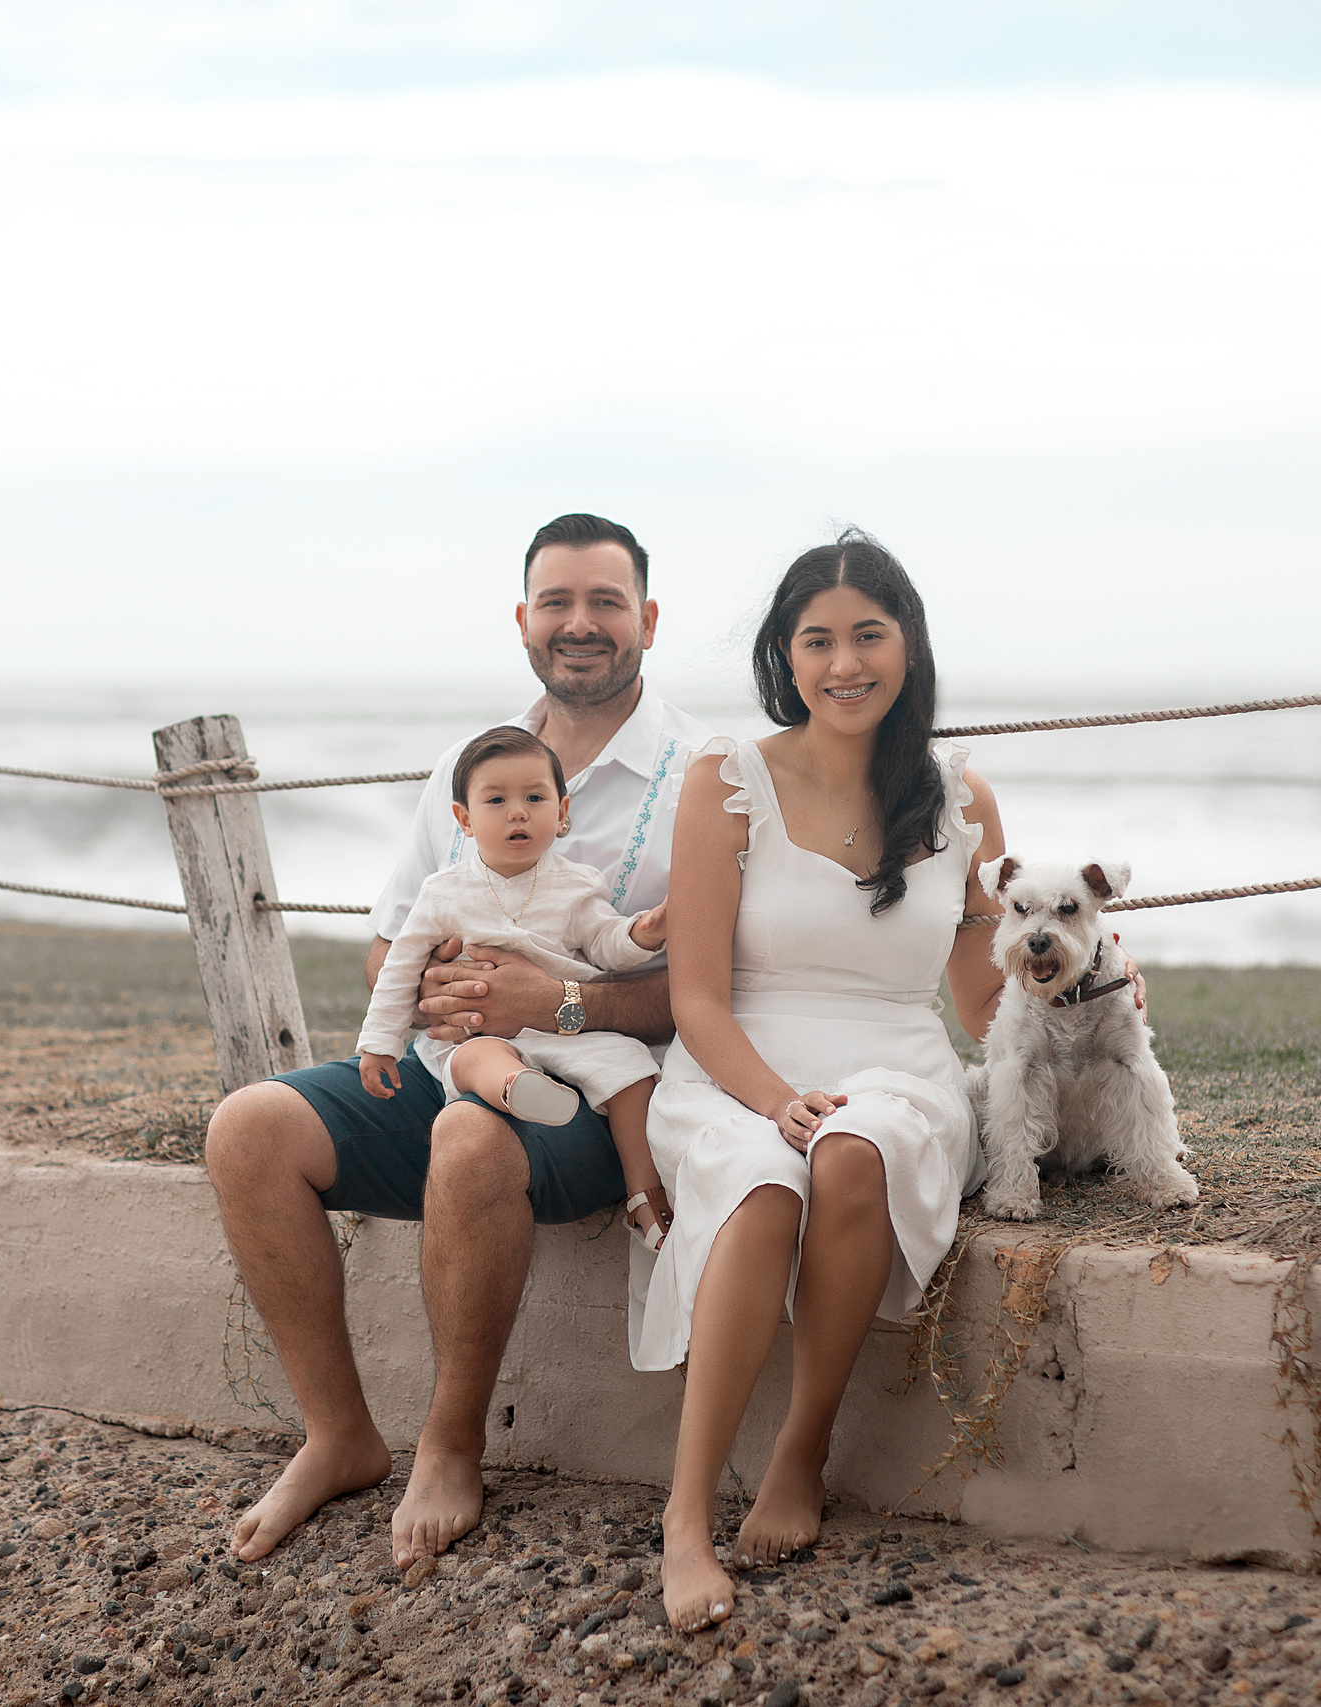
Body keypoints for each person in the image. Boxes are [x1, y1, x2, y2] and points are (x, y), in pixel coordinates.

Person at [203, 513, 712, 1566]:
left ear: (649, 621)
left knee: (475, 1138)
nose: (581, 624)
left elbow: (713, 991)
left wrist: (552, 1003)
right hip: (447, 1062)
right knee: (249, 1128)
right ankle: (339, 1435)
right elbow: (387, 943)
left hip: (586, 1095)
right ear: (523, 619)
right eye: (557, 602)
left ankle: (448, 1441)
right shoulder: (470, 764)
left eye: (606, 601)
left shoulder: (703, 772)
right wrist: (442, 987)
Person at [640, 530, 1016, 1632]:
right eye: (818, 641)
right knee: (764, 1185)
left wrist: (1087, 990)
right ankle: (684, 1517)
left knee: (855, 1151)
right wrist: (770, 1099)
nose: (844, 663)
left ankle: (801, 1453)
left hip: (897, 1063)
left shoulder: (961, 797)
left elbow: (983, 998)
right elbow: (695, 997)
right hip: (734, 1064)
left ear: (908, 648)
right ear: (784, 656)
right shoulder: (727, 780)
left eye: (868, 635)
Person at [356, 725, 672, 1249]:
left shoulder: (575, 884)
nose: (517, 812)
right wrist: (378, 1043)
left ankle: (645, 1194)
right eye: (496, 800)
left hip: (565, 1029)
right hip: (479, 1037)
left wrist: (642, 933)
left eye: (534, 797)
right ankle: (516, 1090)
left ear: (562, 811)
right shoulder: (443, 892)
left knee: (635, 1071)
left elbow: (605, 944)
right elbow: (399, 969)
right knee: (482, 1056)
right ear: (464, 819)